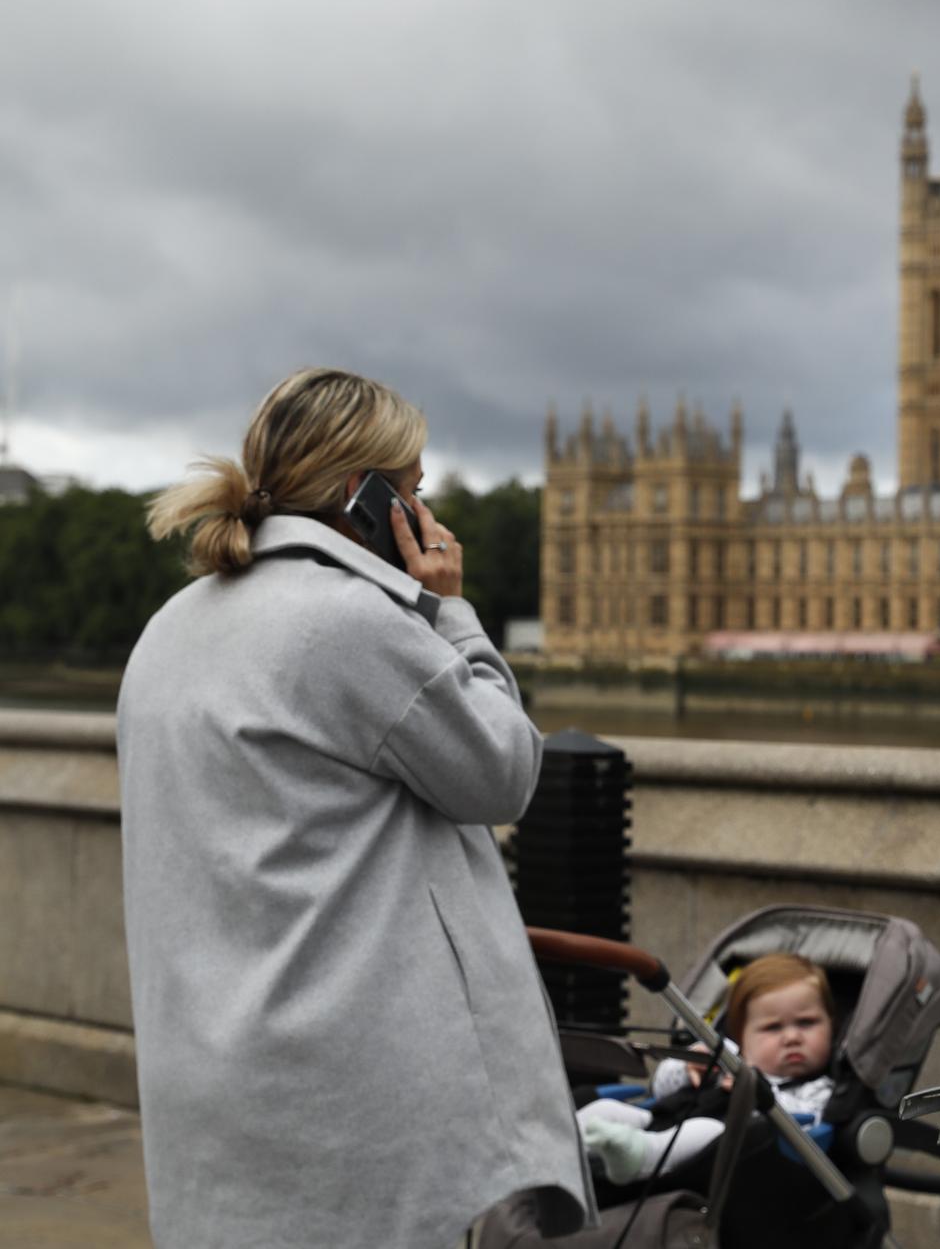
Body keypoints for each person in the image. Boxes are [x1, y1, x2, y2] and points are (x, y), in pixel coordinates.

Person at [120, 368, 593, 1249]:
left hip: (214, 1074)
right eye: (412, 491)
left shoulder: (168, 629)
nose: (427, 516)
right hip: (348, 1091)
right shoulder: (348, 624)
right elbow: (504, 771)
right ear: (362, 497)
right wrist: (452, 612)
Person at [578, 953, 837, 1185]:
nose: (792, 1037)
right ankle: (570, 1142)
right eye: (773, 1028)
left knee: (707, 1130)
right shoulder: (728, 1057)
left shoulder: (820, 1090)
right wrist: (687, 1065)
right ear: (742, 1037)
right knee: (607, 1110)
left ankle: (640, 1156)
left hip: (732, 1157)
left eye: (806, 1023)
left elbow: (810, 1128)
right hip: (664, 1119)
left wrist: (757, 1097)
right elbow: (661, 1089)